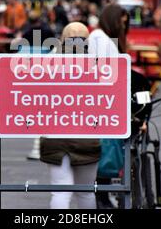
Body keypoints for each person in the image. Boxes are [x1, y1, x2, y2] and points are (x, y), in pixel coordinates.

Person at [40, 22, 101, 209]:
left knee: (59, 191)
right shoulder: (98, 64)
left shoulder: (47, 62)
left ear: (61, 39)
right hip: (87, 135)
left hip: (54, 134)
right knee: (86, 192)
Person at [88, 4, 129, 209]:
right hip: (103, 102)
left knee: (105, 152)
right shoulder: (101, 39)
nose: (123, 27)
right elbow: (104, 73)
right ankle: (101, 198)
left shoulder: (101, 38)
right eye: (121, 22)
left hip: (104, 102)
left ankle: (101, 197)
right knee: (105, 152)